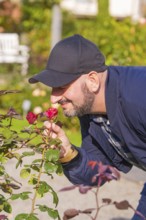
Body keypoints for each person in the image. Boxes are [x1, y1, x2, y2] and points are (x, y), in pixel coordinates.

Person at [29, 34, 146, 219]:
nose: (53, 99)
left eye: (60, 86)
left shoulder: (139, 96)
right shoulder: (91, 114)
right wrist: (68, 154)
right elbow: (98, 172)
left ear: (92, 80)